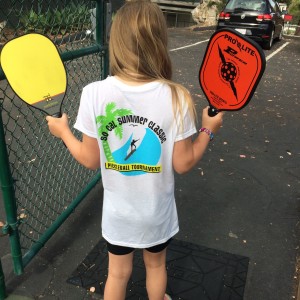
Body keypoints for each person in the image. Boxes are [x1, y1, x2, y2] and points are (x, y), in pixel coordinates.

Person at [46, 0, 223, 299]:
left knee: (117, 273)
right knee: (156, 267)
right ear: (159, 42)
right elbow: (183, 163)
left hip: (118, 215)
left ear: (116, 41)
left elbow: (90, 159)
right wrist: (207, 130)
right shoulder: (175, 96)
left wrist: (64, 132)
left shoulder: (94, 93)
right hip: (156, 213)